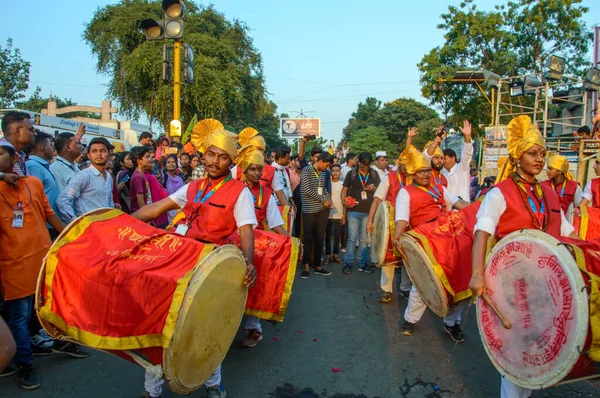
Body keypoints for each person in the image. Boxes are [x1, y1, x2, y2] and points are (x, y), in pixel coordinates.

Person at [131, 120, 257, 398]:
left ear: (230, 161)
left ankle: (213, 385)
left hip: (213, 268)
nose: (215, 161)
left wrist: (249, 264)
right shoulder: (192, 187)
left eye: (223, 157)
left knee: (207, 330)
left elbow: (246, 229)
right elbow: (155, 209)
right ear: (204, 155)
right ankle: (151, 390)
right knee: (159, 324)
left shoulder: (240, 191)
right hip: (179, 264)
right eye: (211, 154)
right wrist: (122, 223)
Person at [469, 115, 577, 398]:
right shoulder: (499, 194)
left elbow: (567, 235)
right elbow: (482, 233)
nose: (540, 159)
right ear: (517, 158)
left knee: (533, 354)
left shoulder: (550, 195)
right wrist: (478, 274)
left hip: (546, 289)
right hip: (512, 288)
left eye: (542, 153)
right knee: (515, 357)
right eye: (532, 153)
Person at [0, 138, 66, 390]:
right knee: (18, 317)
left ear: (14, 158)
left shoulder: (34, 183)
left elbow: (49, 214)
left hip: (42, 258)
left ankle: (58, 341)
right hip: (12, 265)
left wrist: (71, 235)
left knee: (49, 305)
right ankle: (25, 363)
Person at [392, 146, 469, 340]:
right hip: (426, 242)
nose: (426, 174)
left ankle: (452, 323)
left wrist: (482, 206)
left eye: (427, 170)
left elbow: (461, 205)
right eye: (421, 171)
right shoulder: (406, 192)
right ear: (413, 174)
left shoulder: (440, 188)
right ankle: (410, 319)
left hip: (450, 241)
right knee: (424, 283)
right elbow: (402, 219)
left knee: (461, 282)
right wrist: (397, 238)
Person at [236, 144, 287, 348]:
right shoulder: (234, 188)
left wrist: (291, 241)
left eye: (259, 169)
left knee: (254, 286)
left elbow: (275, 223)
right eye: (252, 169)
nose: (257, 173)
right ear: (244, 170)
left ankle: (253, 327)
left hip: (256, 244)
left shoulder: (266, 194)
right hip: (231, 242)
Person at [367, 145, 411, 303]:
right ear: (399, 163)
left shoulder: (415, 177)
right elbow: (377, 199)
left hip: (411, 223)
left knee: (409, 257)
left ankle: (406, 288)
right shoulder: (389, 178)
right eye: (404, 164)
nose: (406, 167)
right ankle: (386, 289)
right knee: (389, 256)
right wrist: (371, 220)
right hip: (391, 223)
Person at [56, 138, 115, 223]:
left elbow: (109, 201)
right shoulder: (84, 175)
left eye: (102, 151)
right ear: (88, 155)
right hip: (89, 228)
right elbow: (62, 201)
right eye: (94, 151)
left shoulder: (108, 176)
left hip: (106, 226)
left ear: (109, 154)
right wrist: (75, 222)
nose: (98, 154)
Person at [341, 152, 380, 275]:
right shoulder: (351, 173)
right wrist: (344, 203)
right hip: (353, 210)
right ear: (359, 163)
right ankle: (348, 263)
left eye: (367, 165)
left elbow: (380, 191)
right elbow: (344, 190)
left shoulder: (374, 173)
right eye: (363, 165)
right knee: (352, 238)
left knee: (365, 239)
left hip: (369, 212)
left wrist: (373, 189)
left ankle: (362, 264)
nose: (365, 168)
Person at [300, 152, 334, 279]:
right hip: (309, 210)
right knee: (308, 238)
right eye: (327, 164)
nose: (327, 167)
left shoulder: (324, 173)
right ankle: (306, 265)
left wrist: (327, 199)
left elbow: (324, 188)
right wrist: (323, 199)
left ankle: (318, 265)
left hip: (322, 210)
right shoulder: (307, 170)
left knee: (320, 238)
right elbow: (307, 190)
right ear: (321, 161)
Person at [425, 120, 473, 201]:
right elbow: (427, 158)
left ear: (453, 158)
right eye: (440, 158)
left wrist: (467, 137)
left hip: (461, 209)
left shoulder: (462, 168)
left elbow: (467, 154)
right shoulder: (441, 172)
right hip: (446, 210)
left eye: (444, 158)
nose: (442, 161)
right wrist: (437, 140)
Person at [1, 111, 36, 176]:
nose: (35, 134)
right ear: (18, 131)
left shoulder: (20, 156)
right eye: (31, 130)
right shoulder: (3, 152)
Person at [324, 164, 344, 265]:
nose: (335, 172)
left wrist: (344, 214)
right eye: (333, 170)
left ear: (340, 173)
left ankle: (336, 255)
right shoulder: (327, 184)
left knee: (337, 236)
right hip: (328, 214)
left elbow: (344, 200)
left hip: (339, 213)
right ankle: (328, 255)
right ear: (330, 172)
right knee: (327, 236)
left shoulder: (343, 184)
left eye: (337, 171)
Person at [129, 146, 154, 215]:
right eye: (147, 157)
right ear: (138, 161)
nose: (150, 159)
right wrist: (147, 218)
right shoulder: (138, 177)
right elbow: (140, 201)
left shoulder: (141, 174)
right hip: (140, 215)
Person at [162, 154, 185, 222]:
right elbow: (160, 169)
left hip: (180, 209)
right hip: (168, 210)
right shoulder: (164, 177)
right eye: (168, 162)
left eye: (173, 162)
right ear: (165, 166)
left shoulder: (180, 179)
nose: (171, 164)